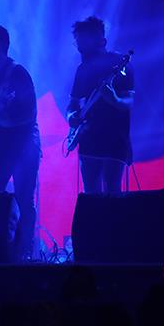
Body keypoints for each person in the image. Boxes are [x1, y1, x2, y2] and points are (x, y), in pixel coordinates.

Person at [0, 25, 40, 258]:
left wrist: (2, 121)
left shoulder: (18, 73)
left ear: (0, 44)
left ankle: (24, 254)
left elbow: (29, 113)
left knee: (24, 199)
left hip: (23, 146)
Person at [67, 16, 135, 194]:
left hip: (115, 139)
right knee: (91, 194)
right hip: (89, 139)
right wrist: (71, 116)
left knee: (112, 192)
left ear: (100, 41)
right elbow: (73, 102)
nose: (79, 48)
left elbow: (130, 101)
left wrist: (115, 99)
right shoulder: (82, 69)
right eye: (77, 43)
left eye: (82, 43)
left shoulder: (121, 63)